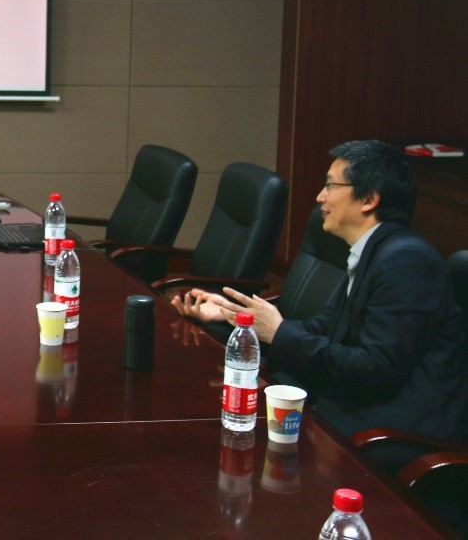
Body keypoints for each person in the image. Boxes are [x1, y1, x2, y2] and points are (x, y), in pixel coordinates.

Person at [175, 140, 467, 461]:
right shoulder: (375, 251)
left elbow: (375, 369)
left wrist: (280, 333)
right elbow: (325, 327)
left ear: (369, 199)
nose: (320, 197)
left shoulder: (406, 262)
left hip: (392, 432)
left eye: (330, 185)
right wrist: (238, 317)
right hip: (356, 408)